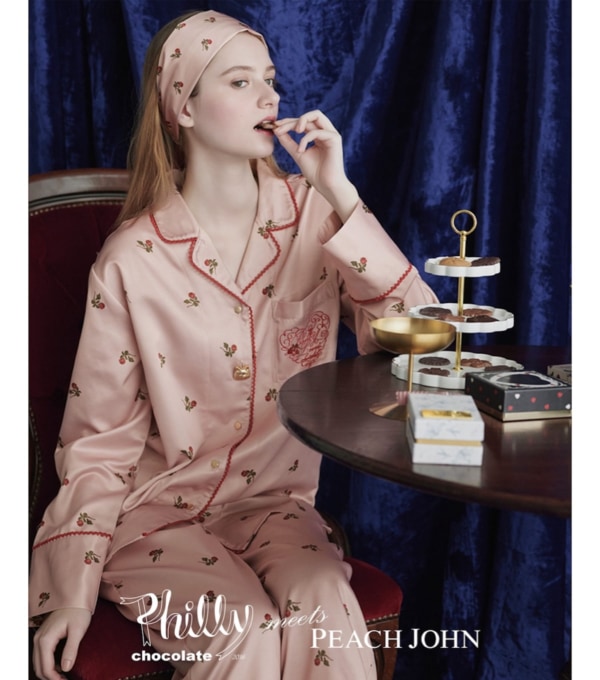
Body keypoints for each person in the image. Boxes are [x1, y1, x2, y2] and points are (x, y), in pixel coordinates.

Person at [29, 9, 438, 680]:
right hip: (153, 519)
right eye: (240, 82)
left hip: (276, 508)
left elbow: (421, 339)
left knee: (325, 604)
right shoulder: (132, 259)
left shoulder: (315, 217)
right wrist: (69, 591)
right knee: (241, 628)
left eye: (270, 80)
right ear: (183, 108)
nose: (268, 97)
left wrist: (340, 193)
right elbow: (99, 440)